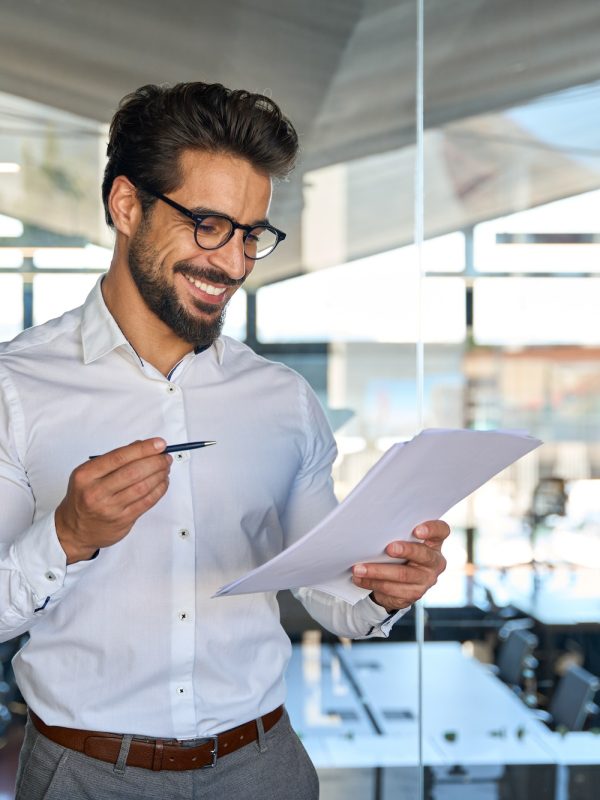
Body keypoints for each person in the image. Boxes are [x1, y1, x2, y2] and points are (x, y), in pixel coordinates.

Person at [0, 82, 449, 800]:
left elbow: (334, 592)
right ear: (126, 206)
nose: (234, 262)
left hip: (262, 768)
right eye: (207, 223)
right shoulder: (16, 388)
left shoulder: (283, 402)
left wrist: (385, 586)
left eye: (250, 234)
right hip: (85, 776)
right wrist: (67, 534)